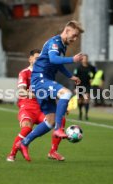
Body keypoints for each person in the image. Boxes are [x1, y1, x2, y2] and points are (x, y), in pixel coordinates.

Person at [18, 20, 84, 161]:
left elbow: (58, 65)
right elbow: (54, 59)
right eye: (74, 35)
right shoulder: (55, 42)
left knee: (50, 120)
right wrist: (73, 59)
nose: (75, 39)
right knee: (66, 93)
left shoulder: (62, 45)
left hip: (43, 81)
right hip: (40, 79)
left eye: (77, 36)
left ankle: (24, 143)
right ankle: (59, 129)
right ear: (66, 30)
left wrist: (71, 76)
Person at [6, 49, 66, 162]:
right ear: (30, 59)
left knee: (60, 120)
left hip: (42, 108)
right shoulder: (24, 73)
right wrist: (38, 94)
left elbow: (51, 92)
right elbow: (22, 92)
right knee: (27, 127)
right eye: (37, 58)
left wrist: (59, 106)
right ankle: (12, 153)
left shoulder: (46, 75)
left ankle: (53, 151)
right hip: (27, 107)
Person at [73, 54, 96, 120]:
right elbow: (75, 78)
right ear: (81, 60)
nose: (85, 60)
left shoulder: (91, 67)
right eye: (83, 59)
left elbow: (94, 74)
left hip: (87, 85)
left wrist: (92, 79)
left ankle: (86, 114)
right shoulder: (78, 68)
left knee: (86, 99)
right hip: (79, 85)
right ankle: (80, 112)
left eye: (86, 58)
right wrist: (75, 87)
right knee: (80, 100)